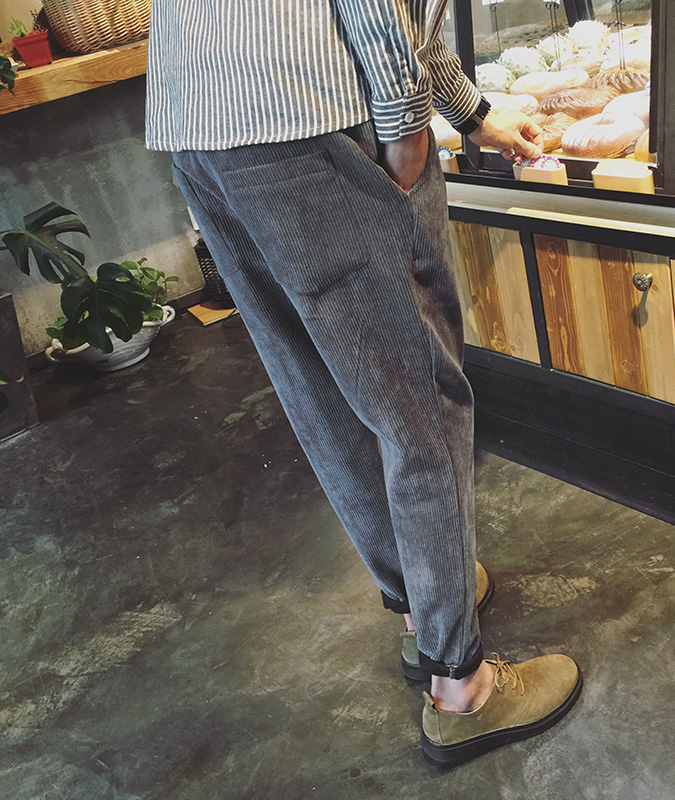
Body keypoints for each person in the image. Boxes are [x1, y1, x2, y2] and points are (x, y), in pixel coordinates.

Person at [146, 0, 582, 766]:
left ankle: (423, 610)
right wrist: (409, 122)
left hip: (195, 114)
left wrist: (473, 114)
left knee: (321, 388)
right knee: (420, 401)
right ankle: (463, 689)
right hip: (308, 109)